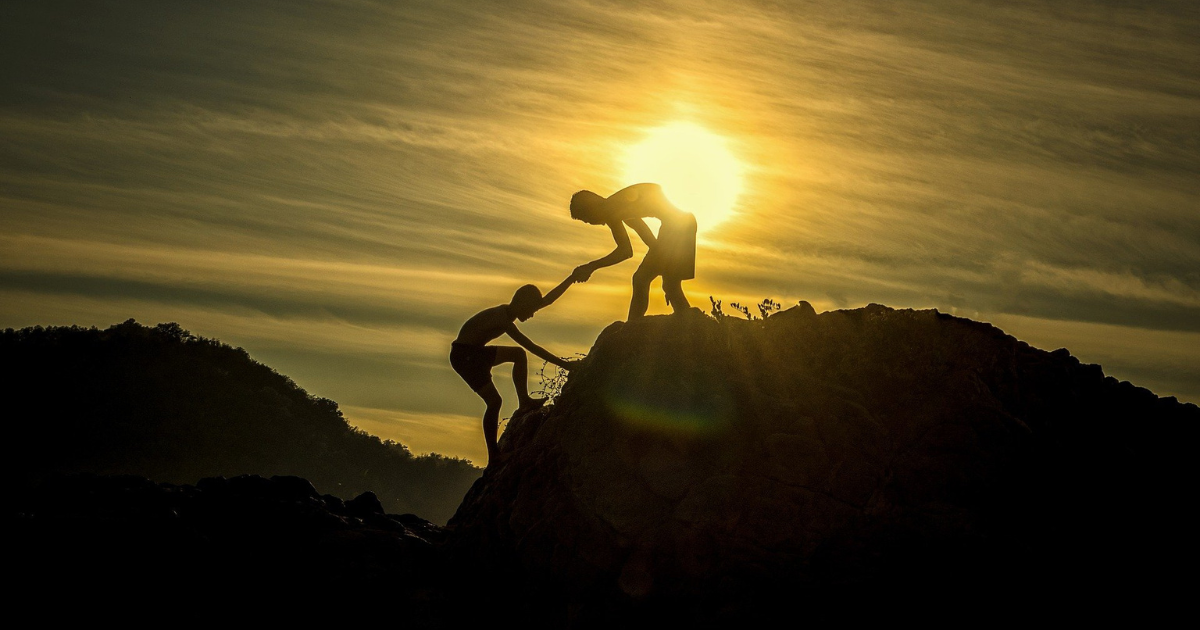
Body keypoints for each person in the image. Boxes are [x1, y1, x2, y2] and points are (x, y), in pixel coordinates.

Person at [450, 276, 577, 467]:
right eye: (531, 310)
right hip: (465, 356)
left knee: (518, 355)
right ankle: (494, 457)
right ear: (522, 303)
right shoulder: (501, 318)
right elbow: (531, 346)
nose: (533, 314)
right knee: (494, 402)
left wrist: (572, 278)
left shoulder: (510, 313)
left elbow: (547, 300)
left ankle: (524, 401)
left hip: (473, 353)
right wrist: (565, 365)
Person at [569, 183, 697, 319]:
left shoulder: (611, 210)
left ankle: (633, 326)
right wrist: (663, 264)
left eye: (587, 219)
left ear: (591, 209)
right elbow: (645, 234)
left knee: (642, 279)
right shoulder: (618, 205)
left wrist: (591, 266)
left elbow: (625, 251)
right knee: (669, 285)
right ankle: (686, 323)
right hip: (683, 224)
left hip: (677, 228)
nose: (590, 223)